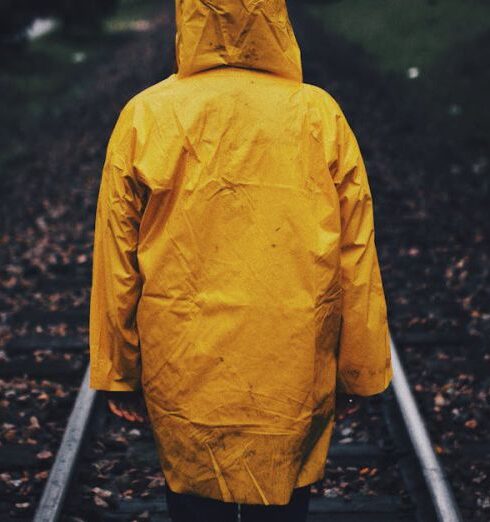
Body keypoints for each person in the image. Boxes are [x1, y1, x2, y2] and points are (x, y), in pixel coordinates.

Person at [89, 0, 393, 521]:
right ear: (274, 16)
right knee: (282, 499)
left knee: (192, 499)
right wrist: (359, 370)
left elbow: (116, 257)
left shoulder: (145, 115)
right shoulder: (318, 114)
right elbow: (356, 252)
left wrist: (119, 369)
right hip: (290, 368)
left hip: (183, 363)